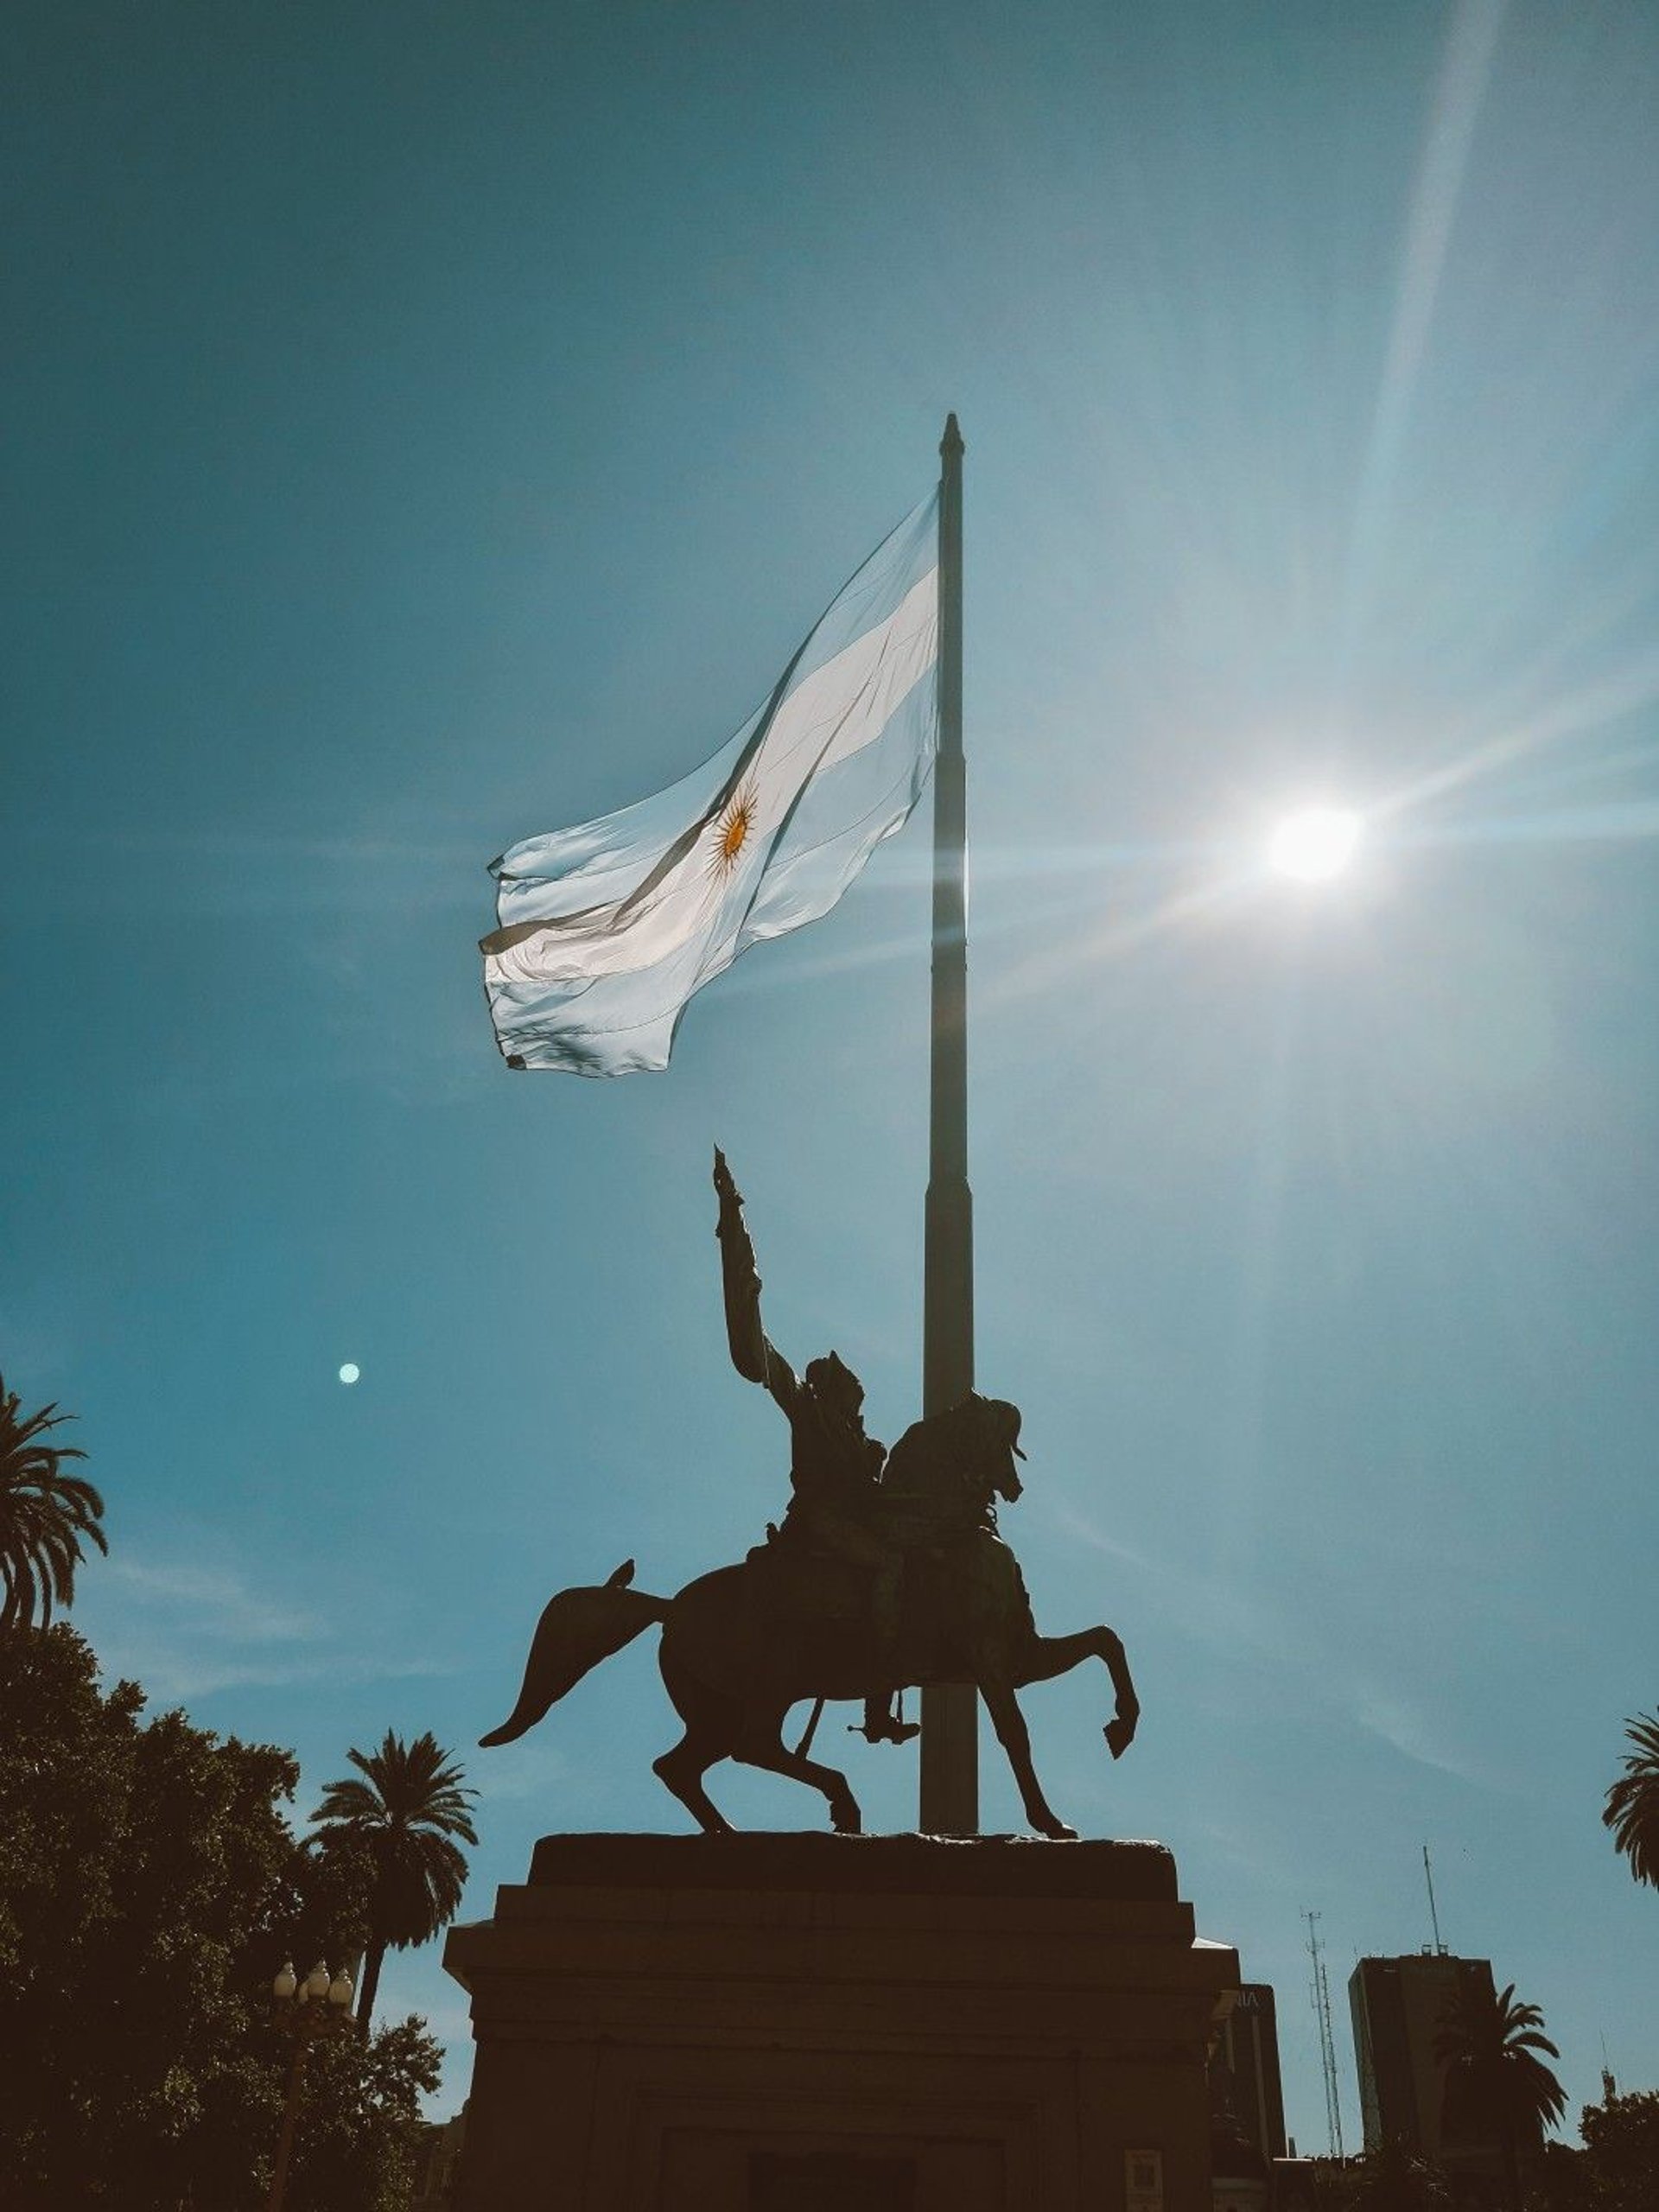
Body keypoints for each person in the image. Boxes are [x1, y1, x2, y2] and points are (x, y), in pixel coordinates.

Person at [712, 1148, 918, 1745]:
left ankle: (881, 1694)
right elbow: (755, 1345)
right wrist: (733, 1220)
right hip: (822, 1523)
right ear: (829, 1389)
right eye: (849, 1386)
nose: (858, 1394)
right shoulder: (806, 1408)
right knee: (891, 1566)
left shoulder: (863, 1441)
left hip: (857, 1522)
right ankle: (879, 1712)